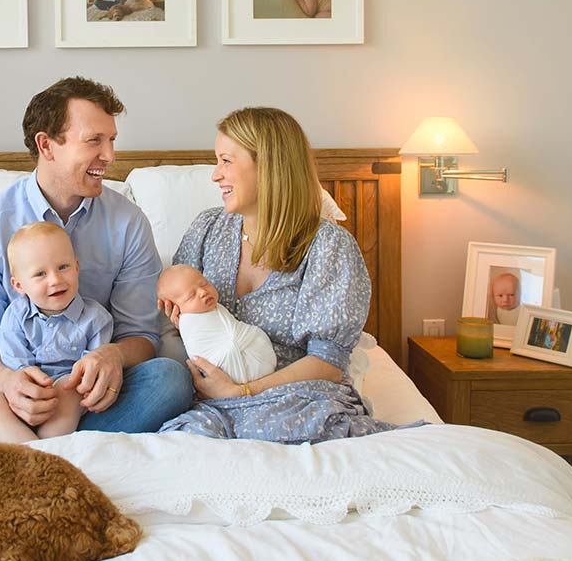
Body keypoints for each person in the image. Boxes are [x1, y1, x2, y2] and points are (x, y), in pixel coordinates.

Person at [0, 76, 193, 438]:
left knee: (171, 379)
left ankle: (23, 450)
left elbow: (140, 335)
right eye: (94, 141)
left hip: (88, 396)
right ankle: (38, 443)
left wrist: (114, 357)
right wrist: (9, 382)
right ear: (47, 145)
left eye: (111, 140)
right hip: (6, 394)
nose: (109, 156)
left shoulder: (127, 223)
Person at [157, 107, 399, 443]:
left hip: (295, 399)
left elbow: (328, 364)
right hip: (209, 402)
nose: (215, 175)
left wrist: (241, 391)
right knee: (181, 439)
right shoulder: (207, 230)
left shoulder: (328, 246)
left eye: (226, 161)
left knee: (298, 426)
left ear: (269, 165)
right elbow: (177, 324)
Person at [0, 222, 113, 442]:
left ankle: (49, 448)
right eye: (40, 274)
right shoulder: (15, 317)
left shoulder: (96, 319)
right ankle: (26, 450)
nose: (55, 280)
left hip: (69, 406)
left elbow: (94, 371)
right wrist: (29, 391)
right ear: (19, 285)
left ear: (76, 267)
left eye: (63, 267)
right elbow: (16, 367)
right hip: (21, 399)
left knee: (69, 389)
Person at [156, 264, 276, 386]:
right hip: (228, 369)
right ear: (176, 309)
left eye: (204, 284)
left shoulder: (216, 308)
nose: (203, 292)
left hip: (257, 359)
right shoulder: (188, 322)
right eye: (191, 296)